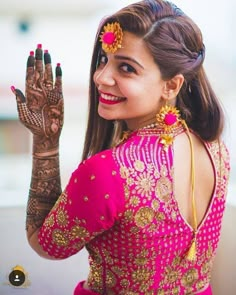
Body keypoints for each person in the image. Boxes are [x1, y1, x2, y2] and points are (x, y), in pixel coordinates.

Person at [11, 0, 230, 294]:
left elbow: (46, 244)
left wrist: (45, 143)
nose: (101, 77)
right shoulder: (214, 148)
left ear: (171, 85)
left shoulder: (109, 171)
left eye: (126, 68)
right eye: (104, 59)